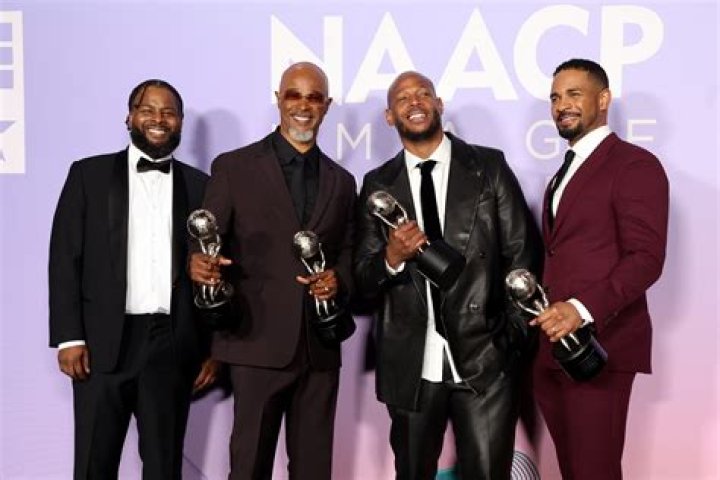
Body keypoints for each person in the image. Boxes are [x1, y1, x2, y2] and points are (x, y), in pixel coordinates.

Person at [353, 71, 542, 480]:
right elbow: (362, 280)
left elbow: (522, 254)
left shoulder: (488, 166)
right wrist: (392, 256)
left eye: (424, 93)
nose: (415, 102)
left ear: (439, 105)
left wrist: (508, 340)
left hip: (485, 357)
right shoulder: (377, 185)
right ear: (390, 116)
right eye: (403, 98)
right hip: (411, 364)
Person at [189, 62, 356, 480]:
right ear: (279, 99)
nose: (304, 105)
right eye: (294, 95)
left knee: (314, 471)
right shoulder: (234, 167)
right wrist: (199, 264)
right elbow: (206, 240)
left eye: (314, 97)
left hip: (319, 350)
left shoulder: (342, 181)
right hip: (255, 343)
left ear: (327, 106)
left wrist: (338, 278)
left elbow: (349, 252)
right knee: (249, 467)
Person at [49, 79, 219, 479]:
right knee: (93, 464)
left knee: (164, 467)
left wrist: (211, 346)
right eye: (148, 110)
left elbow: (212, 270)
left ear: (180, 123)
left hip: (171, 345)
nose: (158, 119)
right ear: (129, 117)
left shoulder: (201, 186)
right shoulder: (88, 175)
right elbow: (65, 258)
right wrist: (70, 337)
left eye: (169, 112)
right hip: (101, 344)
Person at [530, 58, 669, 480]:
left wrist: (580, 308)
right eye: (555, 97)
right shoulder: (562, 173)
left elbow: (646, 259)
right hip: (553, 350)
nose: (562, 105)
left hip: (601, 348)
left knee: (595, 472)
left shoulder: (634, 165)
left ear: (603, 99)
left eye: (574, 94)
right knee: (574, 471)